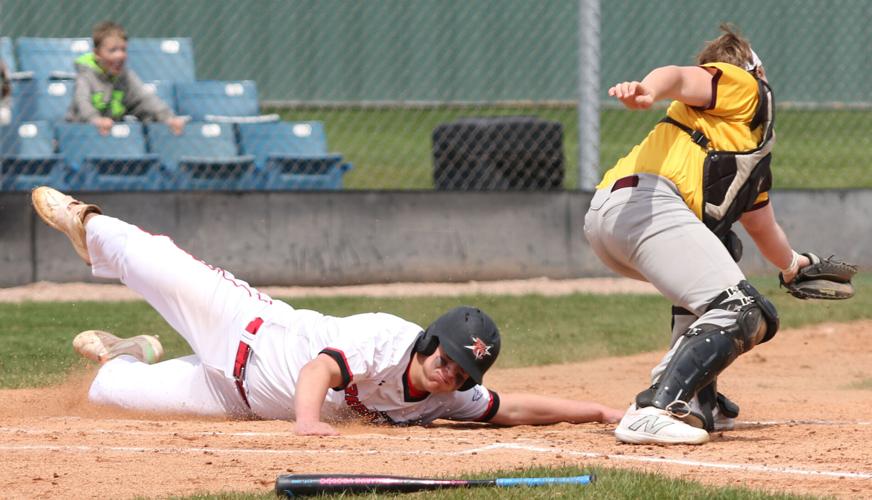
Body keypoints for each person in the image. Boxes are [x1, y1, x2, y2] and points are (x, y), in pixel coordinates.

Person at [31, 186, 624, 436]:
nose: (451, 376)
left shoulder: (447, 396)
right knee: (157, 260)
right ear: (428, 342)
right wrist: (308, 423)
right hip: (243, 328)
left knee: (106, 392)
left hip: (232, 400)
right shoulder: (387, 339)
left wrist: (597, 410)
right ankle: (88, 223)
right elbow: (319, 371)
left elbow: (511, 407)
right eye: (447, 360)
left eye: (463, 374)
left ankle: (131, 352)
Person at [584, 24, 807, 445]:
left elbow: (763, 227)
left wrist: (795, 266)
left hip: (622, 219)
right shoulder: (745, 86)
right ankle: (655, 406)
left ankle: (695, 402)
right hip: (645, 207)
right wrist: (648, 91)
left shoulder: (741, 145)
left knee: (723, 250)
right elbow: (679, 75)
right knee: (744, 309)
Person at [66, 21, 186, 136]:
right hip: (81, 134)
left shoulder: (127, 76)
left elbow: (146, 99)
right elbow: (82, 103)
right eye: (113, 50)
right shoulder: (85, 76)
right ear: (97, 54)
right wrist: (96, 120)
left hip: (112, 135)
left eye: (123, 49)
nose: (120, 55)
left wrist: (169, 118)